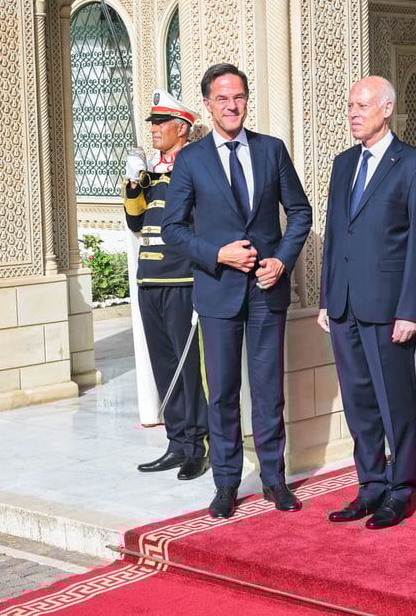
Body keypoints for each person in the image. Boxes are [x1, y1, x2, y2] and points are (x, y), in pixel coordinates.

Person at [162, 63, 312, 519]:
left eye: (239, 97)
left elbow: (300, 212)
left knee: (269, 391)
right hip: (217, 292)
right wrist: (217, 254)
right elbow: (173, 229)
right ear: (208, 105)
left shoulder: (271, 151)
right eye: (223, 99)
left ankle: (274, 480)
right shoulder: (191, 160)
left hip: (267, 292)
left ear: (247, 100)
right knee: (224, 391)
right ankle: (226, 483)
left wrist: (282, 260)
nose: (232, 106)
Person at [317, 76, 416, 529]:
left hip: (389, 309)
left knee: (395, 401)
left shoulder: (414, 166)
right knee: (358, 401)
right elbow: (334, 235)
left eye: (362, 105)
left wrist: (411, 309)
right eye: (350, 105)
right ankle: (370, 485)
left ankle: (401, 488)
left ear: (386, 109)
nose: (353, 112)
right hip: (345, 304)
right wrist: (328, 297)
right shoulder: (343, 163)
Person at [124, 90, 209, 481]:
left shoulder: (191, 169)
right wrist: (133, 184)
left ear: (182, 129)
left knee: (186, 368)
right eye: (153, 124)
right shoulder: (152, 170)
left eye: (160, 124)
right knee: (163, 365)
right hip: (149, 278)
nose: (154, 130)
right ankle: (176, 442)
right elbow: (137, 223)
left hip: (180, 278)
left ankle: (197, 445)